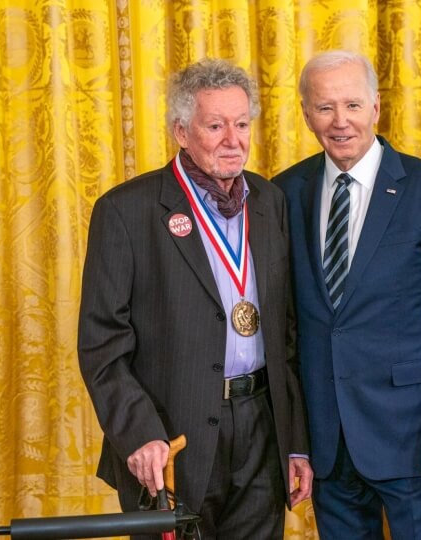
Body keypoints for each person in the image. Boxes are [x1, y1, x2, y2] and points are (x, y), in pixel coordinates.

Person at [78, 58, 312, 540]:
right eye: (216, 125)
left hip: (261, 430)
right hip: (170, 437)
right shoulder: (126, 211)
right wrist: (139, 433)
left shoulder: (270, 202)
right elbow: (102, 345)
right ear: (182, 131)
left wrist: (295, 441)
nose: (234, 139)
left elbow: (286, 331)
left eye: (242, 123)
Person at [272, 50, 421, 540]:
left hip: (413, 438)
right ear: (306, 114)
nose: (340, 121)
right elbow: (285, 324)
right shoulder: (284, 193)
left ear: (375, 107)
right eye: (325, 108)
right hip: (328, 441)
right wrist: (295, 440)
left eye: (352, 105)